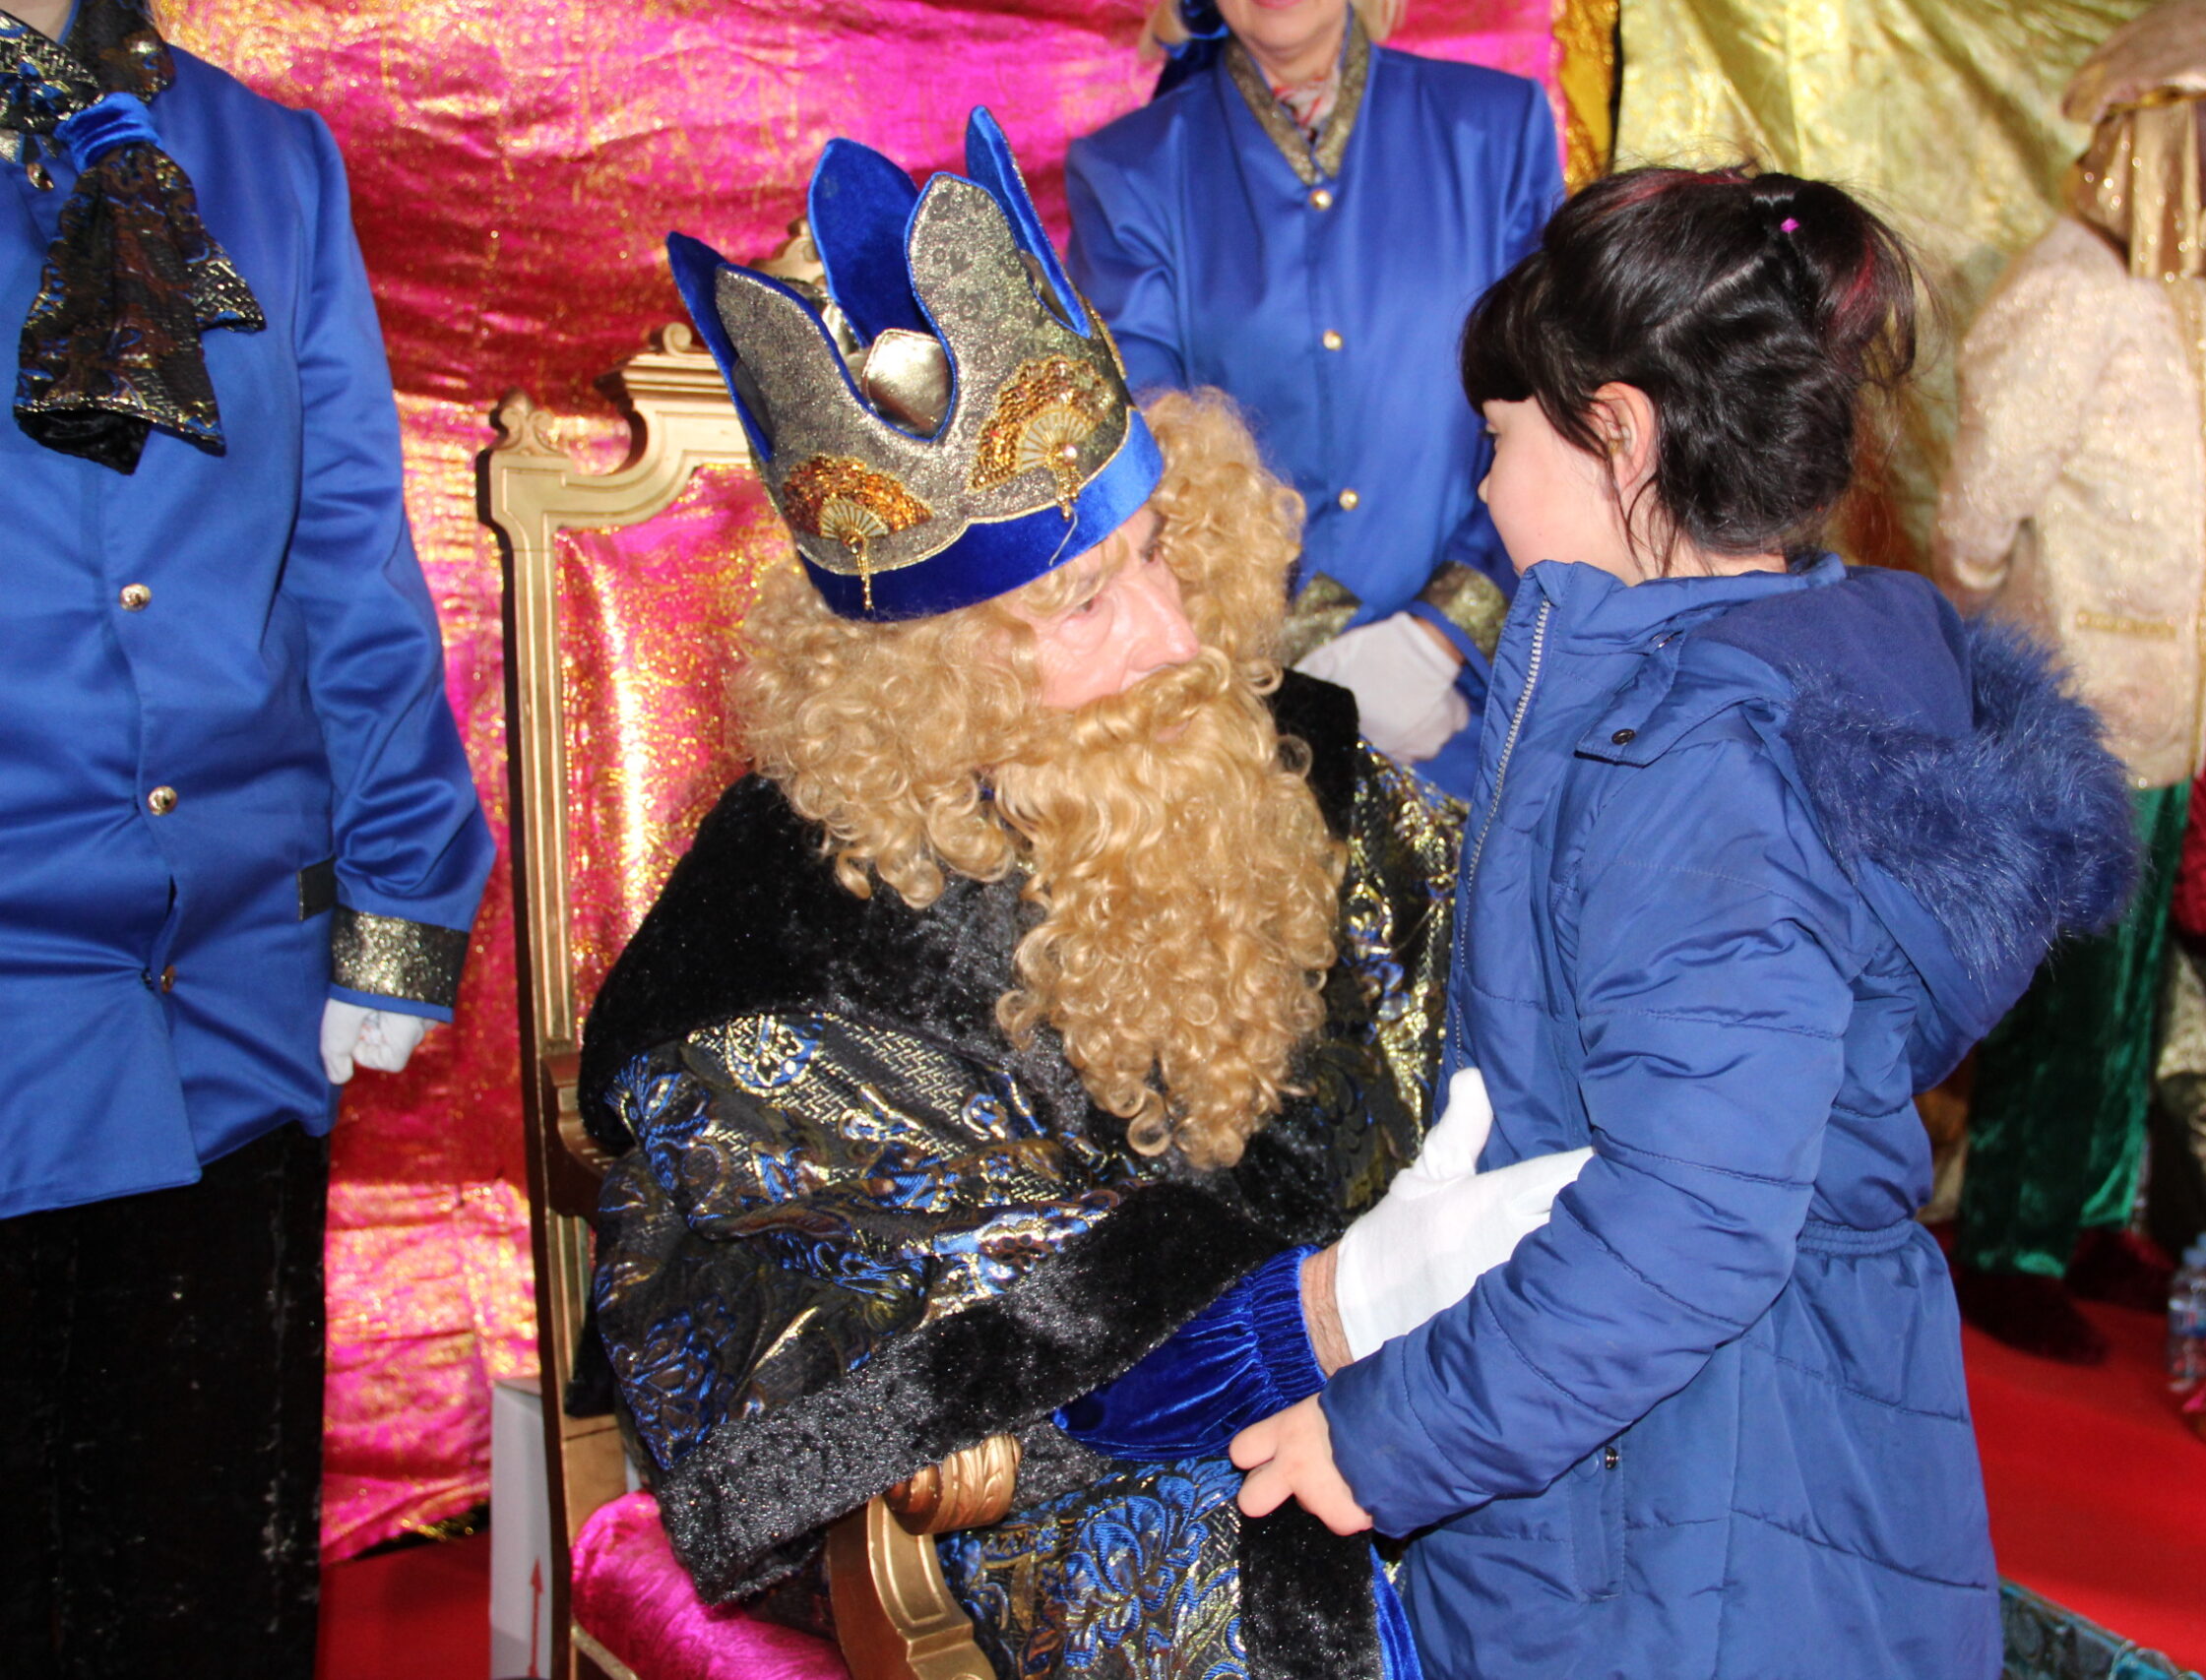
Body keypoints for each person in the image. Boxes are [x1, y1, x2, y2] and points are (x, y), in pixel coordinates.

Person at [590, 111, 1584, 1675]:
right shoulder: (783, 943)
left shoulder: (1301, 758)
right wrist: (1332, 1304)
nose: (1175, 634)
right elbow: (929, 1367)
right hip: (1096, 1485)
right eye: (1084, 603)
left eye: (1160, 551)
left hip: (1435, 1367)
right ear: (932, 672)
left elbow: (1508, 998)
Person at [1229, 165, 2138, 1680]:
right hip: (1723, 1432)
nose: (1483, 492)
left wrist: (1387, 1434)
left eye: (1500, 442)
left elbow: (1695, 1219)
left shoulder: (1696, 758)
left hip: (1674, 1498)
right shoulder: (1764, 679)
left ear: (1621, 434)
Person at [0, 2, 493, 1675]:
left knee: (200, 1597)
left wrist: (405, 896)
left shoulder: (269, 162)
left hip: (231, 1002)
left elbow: (348, 549)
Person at [1931, 0, 2206, 1362]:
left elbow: (2183, 522)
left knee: (2130, 990)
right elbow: (1976, 515)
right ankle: (2009, 1240)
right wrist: (2003, 669)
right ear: (2158, 125)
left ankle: (2090, 1214)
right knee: (2064, 999)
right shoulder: (2068, 291)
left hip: (2159, 711)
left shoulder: (2161, 292)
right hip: (2075, 711)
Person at [1065, 0, 1561, 794]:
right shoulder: (1129, 170)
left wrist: (1442, 634)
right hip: (1254, 713)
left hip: (1480, 705)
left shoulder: (1496, 130)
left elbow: (1554, 414)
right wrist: (1289, 672)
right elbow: (1152, 455)